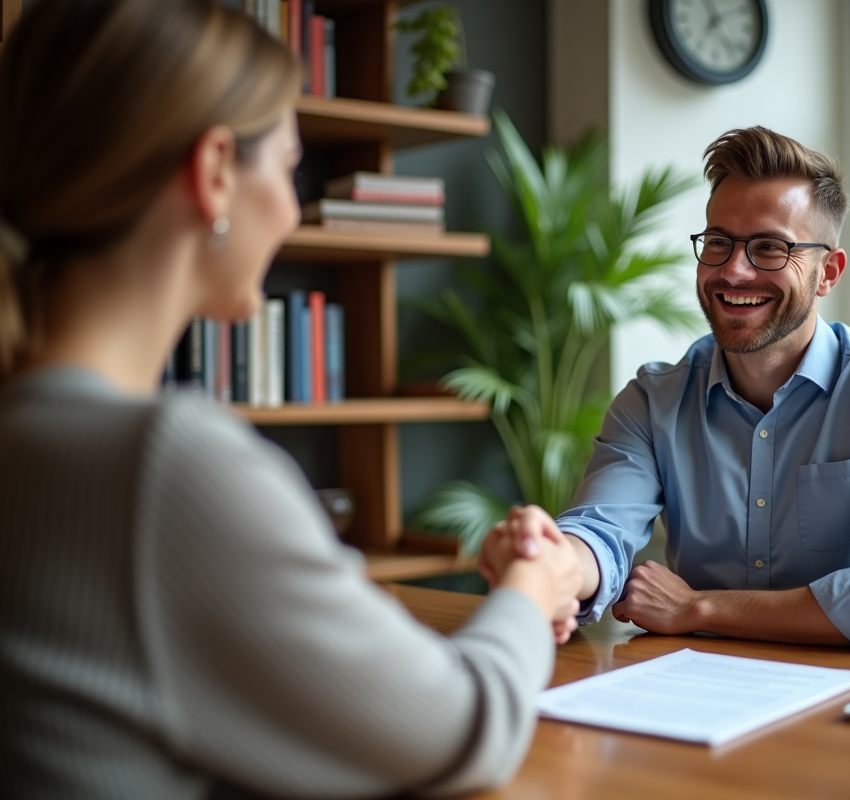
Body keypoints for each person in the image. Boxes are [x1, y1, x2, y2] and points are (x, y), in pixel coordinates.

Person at [0, 0, 581, 796]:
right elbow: (464, 730)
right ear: (212, 175)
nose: (292, 205)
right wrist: (531, 587)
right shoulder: (162, 465)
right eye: (287, 167)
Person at [480, 127, 850, 652]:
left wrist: (700, 607)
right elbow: (599, 533)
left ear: (828, 272)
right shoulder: (651, 402)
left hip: (848, 701)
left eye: (769, 248)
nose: (733, 271)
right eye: (718, 242)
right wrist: (549, 560)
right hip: (697, 696)